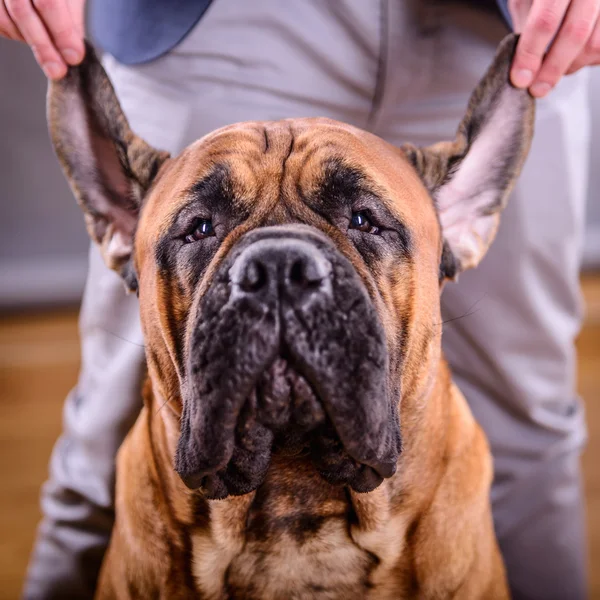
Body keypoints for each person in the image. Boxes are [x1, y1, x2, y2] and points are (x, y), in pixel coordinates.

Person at [1, 0, 597, 598]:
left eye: (366, 222)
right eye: (201, 231)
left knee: (531, 434)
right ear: (121, 221)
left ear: (460, 217)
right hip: (207, 22)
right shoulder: (141, 204)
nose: (280, 276)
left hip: (496, 22)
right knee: (99, 452)